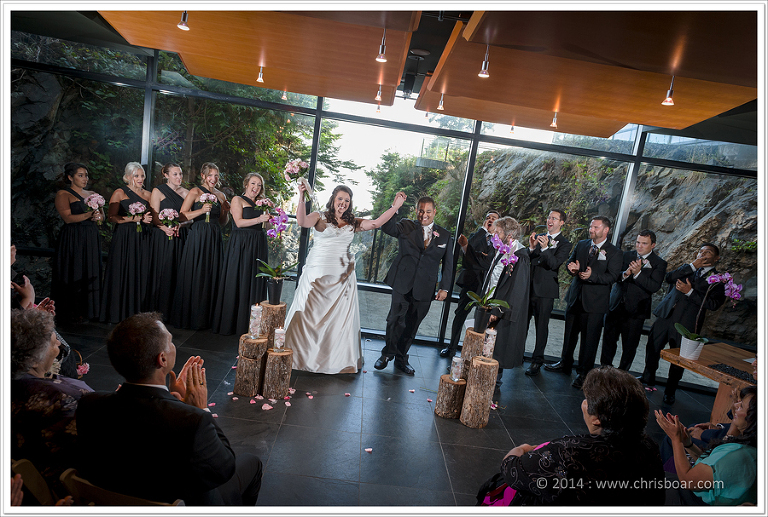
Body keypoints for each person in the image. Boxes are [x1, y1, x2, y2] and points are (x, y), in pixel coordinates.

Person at [76, 312, 262, 505]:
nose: (174, 346)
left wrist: (175, 403)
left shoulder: (89, 404)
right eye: (171, 342)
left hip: (115, 499)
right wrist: (200, 408)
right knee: (252, 463)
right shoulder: (193, 420)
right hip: (186, 502)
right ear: (162, 360)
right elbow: (224, 469)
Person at [498, 367, 664, 505]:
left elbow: (511, 470)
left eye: (587, 399)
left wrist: (520, 449)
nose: (583, 404)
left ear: (597, 419)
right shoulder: (649, 447)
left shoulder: (568, 453)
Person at [286, 184, 406, 374]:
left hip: (342, 278)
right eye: (340, 198)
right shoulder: (319, 216)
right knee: (309, 314)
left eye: (347, 200)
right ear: (333, 199)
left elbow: (375, 223)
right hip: (316, 274)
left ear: (350, 204)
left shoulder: (353, 222)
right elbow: (302, 221)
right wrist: (301, 196)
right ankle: (302, 355)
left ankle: (333, 359)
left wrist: (394, 207)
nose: (343, 203)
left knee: (337, 322)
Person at [11, 309, 94, 494]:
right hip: (65, 488)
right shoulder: (65, 398)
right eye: (52, 341)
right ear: (33, 360)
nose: (59, 344)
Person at [374, 196, 454, 375]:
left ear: (434, 212)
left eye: (427, 211)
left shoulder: (445, 235)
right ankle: (387, 354)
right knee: (394, 320)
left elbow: (448, 263)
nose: (423, 214)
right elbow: (386, 227)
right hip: (403, 282)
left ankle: (402, 358)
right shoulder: (405, 225)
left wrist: (444, 287)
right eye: (420, 210)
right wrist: (395, 207)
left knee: (412, 325)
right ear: (416, 210)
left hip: (425, 287)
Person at [639, 243, 726, 404]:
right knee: (652, 346)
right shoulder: (688, 268)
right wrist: (692, 266)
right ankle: (647, 378)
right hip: (666, 316)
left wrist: (690, 292)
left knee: (679, 358)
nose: (703, 254)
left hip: (687, 323)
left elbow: (714, 305)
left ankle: (670, 390)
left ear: (716, 258)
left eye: (708, 252)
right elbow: (669, 277)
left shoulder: (719, 280)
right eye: (700, 251)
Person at [545, 216, 622, 389]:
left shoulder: (615, 252)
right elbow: (570, 263)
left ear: (606, 230)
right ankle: (565, 364)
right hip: (575, 298)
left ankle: (584, 373)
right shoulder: (582, 244)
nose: (591, 230)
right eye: (591, 227)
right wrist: (572, 269)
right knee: (569, 335)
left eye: (595, 227)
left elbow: (613, 276)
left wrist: (592, 276)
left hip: (595, 304)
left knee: (589, 341)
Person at [656, 386, 757, 505]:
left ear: (752, 420)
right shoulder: (747, 447)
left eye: (741, 406)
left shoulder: (738, 455)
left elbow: (689, 481)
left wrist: (676, 439)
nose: (735, 406)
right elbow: (710, 466)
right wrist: (688, 444)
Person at [171, 162, 231, 330]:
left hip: (214, 236)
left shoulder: (220, 195)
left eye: (216, 175)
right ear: (203, 176)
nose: (213, 178)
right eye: (210, 175)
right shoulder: (195, 191)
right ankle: (191, 316)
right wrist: (201, 211)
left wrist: (225, 211)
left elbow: (222, 222)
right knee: (196, 271)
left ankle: (208, 318)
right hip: (198, 235)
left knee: (212, 273)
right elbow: (182, 216)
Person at [212, 173, 271, 336]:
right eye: (253, 183)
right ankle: (234, 324)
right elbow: (238, 222)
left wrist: (268, 217)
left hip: (258, 244)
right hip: (242, 245)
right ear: (246, 184)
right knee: (239, 279)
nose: (256, 188)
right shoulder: (237, 200)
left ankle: (251, 325)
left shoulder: (260, 203)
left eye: (259, 185)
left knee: (255, 280)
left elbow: (264, 226)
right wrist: (260, 218)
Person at [600, 230, 667, 370]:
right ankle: (604, 370)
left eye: (644, 243)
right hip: (615, 305)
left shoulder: (659, 263)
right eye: (638, 242)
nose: (639, 246)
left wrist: (638, 274)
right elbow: (612, 275)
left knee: (629, 346)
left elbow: (654, 287)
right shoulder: (625, 255)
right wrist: (625, 274)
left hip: (637, 310)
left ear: (653, 245)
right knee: (608, 341)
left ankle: (622, 374)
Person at [440, 210, 499, 358]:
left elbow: (488, 262)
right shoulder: (476, 235)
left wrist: (475, 256)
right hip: (470, 283)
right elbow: (467, 253)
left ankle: (477, 353)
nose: (490, 220)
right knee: (460, 314)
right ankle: (452, 347)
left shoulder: (499, 241)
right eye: (488, 217)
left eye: (494, 218)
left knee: (483, 321)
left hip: (486, 285)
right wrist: (483, 232)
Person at [99, 162, 153, 324]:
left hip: (142, 237)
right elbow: (111, 217)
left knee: (140, 271)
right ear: (128, 177)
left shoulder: (149, 195)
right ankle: (116, 312)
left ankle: (137, 312)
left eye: (142, 176)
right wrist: (132, 219)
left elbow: (152, 216)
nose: (140, 179)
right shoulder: (120, 192)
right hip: (124, 237)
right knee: (121, 270)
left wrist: (150, 220)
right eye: (136, 176)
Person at [51, 162, 104, 323]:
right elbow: (67, 218)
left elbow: (102, 216)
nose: (85, 178)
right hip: (73, 237)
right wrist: (88, 215)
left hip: (90, 236)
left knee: (90, 268)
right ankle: (70, 312)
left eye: (86, 175)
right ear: (70, 177)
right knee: (74, 269)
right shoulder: (63, 194)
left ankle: (90, 310)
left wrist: (98, 217)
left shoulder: (93, 193)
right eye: (80, 175)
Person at [524, 209, 572, 376]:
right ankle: (517, 354)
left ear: (561, 222)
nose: (550, 220)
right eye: (549, 217)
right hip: (528, 287)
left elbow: (554, 264)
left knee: (541, 326)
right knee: (523, 324)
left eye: (554, 218)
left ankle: (537, 361)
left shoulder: (565, 244)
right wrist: (531, 247)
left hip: (545, 291)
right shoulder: (539, 236)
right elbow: (528, 260)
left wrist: (545, 248)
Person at [484, 217, 530, 390]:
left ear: (509, 234)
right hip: (490, 302)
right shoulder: (502, 249)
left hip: (502, 309)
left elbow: (516, 289)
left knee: (498, 346)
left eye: (499, 232)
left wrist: (498, 309)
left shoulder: (520, 255)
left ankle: (494, 381)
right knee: (487, 342)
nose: (495, 234)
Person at [145, 162, 191, 319]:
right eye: (175, 174)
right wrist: (164, 228)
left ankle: (174, 311)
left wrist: (180, 224)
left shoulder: (186, 193)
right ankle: (158, 310)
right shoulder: (158, 191)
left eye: (180, 174)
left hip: (180, 235)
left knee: (178, 272)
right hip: (162, 236)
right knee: (162, 270)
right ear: (166, 175)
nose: (179, 177)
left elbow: (189, 219)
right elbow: (154, 215)